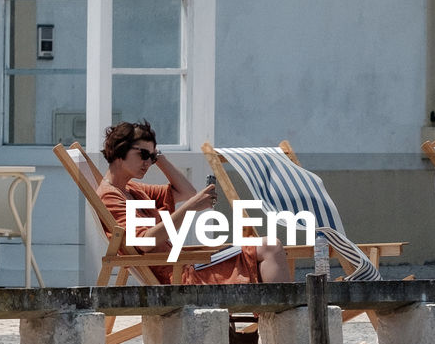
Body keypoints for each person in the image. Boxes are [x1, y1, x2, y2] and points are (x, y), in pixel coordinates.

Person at [98, 119, 291, 285]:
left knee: (268, 247)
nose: (148, 162)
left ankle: (272, 324)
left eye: (152, 156)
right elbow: (145, 242)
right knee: (270, 247)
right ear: (119, 150)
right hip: (181, 276)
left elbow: (187, 192)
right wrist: (191, 209)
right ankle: (280, 326)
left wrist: (160, 158)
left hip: (186, 267)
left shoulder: (133, 190)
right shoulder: (110, 196)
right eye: (143, 155)